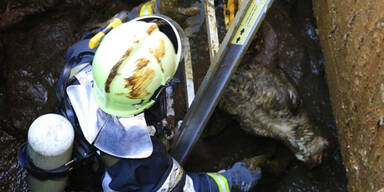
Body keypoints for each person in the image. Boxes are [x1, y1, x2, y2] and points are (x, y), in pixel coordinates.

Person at [20, 11, 262, 192]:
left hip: (75, 147)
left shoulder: (81, 57)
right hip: (101, 179)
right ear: (154, 94)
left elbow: (94, 39)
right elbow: (181, 188)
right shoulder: (137, 159)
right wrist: (230, 181)